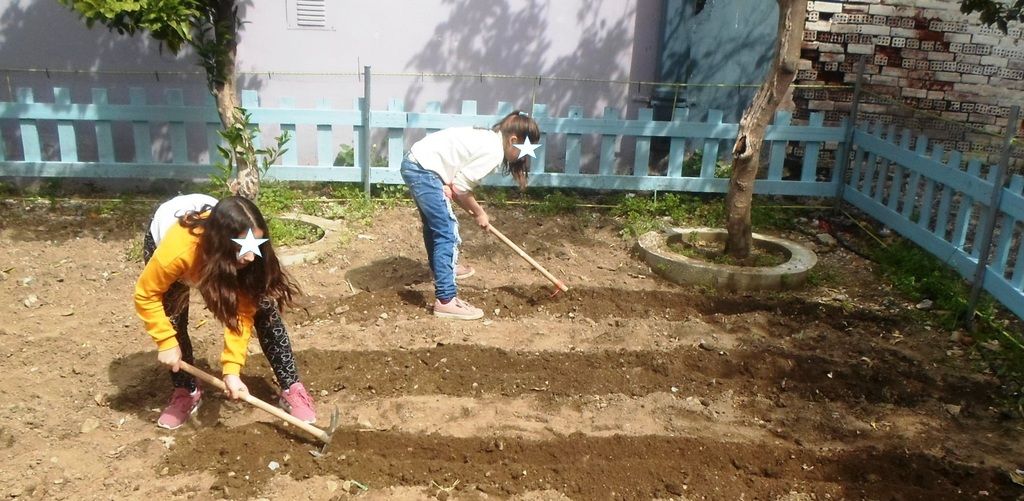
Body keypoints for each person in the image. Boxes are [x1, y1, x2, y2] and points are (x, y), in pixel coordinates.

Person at [134, 194, 317, 429]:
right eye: (242, 249)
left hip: (216, 255)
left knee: (263, 306)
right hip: (174, 244)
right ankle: (186, 390)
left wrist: (231, 370)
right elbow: (146, 294)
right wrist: (165, 341)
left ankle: (291, 386)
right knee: (173, 317)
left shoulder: (249, 255)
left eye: (256, 245)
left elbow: (241, 314)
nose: (250, 256)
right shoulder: (177, 253)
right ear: (221, 245)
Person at [401, 110, 541, 320]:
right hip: (423, 169)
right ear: (513, 140)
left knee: (435, 226)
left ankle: (443, 269)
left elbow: (457, 186)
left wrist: (468, 205)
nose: (525, 157)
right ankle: (446, 300)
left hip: (419, 164)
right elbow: (461, 188)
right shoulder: (493, 152)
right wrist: (479, 212)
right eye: (524, 151)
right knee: (446, 231)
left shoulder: (489, 139)